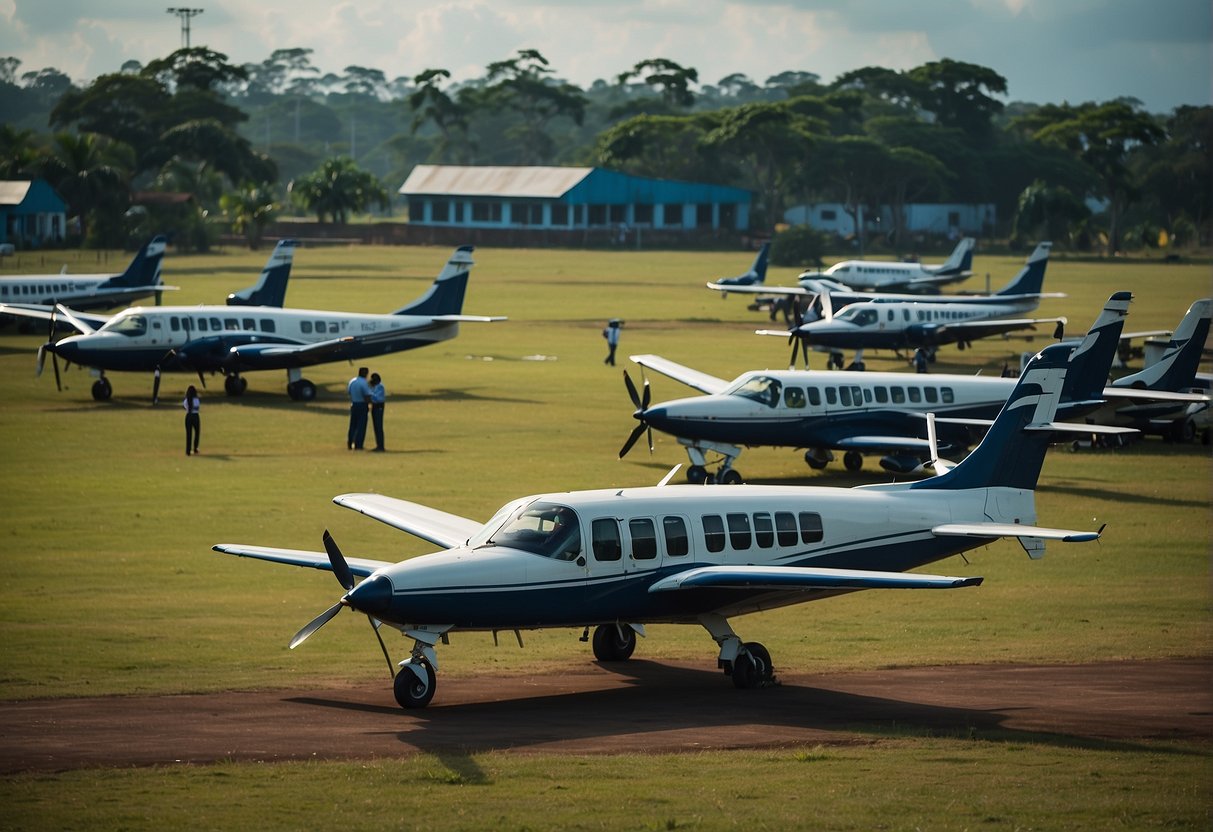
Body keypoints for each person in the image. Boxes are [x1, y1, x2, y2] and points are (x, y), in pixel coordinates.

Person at [347, 367, 371, 450]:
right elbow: (366, 395)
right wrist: (369, 404)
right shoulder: (364, 383)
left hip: (354, 403)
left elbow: (349, 392)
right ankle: (358, 444)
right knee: (361, 426)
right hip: (362, 404)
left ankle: (350, 443)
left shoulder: (352, 381)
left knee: (353, 425)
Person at [369, 372, 386, 452]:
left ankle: (381, 446)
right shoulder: (375, 386)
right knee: (376, 427)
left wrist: (369, 395)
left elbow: (377, 398)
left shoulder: (380, 387)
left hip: (378, 407)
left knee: (379, 427)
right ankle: (378, 445)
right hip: (375, 407)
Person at [182, 385, 201, 456]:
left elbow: (184, 406)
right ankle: (195, 448)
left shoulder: (186, 400)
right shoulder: (196, 399)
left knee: (189, 434)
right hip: (195, 416)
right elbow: (198, 407)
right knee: (197, 433)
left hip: (188, 416)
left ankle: (188, 451)